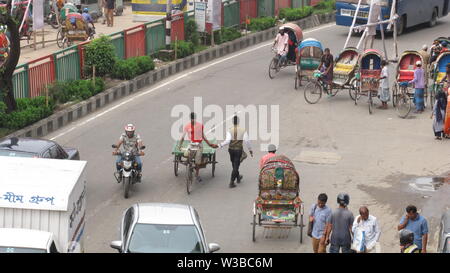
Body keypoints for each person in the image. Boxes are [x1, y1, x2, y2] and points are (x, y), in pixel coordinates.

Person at [179, 112, 218, 182]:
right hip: (191, 144)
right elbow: (182, 137)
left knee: (197, 162)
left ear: (195, 118)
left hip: (199, 145)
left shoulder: (200, 126)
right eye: (192, 119)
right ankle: (190, 166)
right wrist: (180, 144)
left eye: (193, 119)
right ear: (190, 119)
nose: (193, 120)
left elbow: (203, 135)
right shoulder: (187, 126)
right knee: (188, 156)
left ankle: (197, 174)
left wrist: (209, 144)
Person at [218, 116, 253, 188]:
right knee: (236, 165)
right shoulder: (243, 130)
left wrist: (220, 145)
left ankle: (238, 177)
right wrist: (250, 150)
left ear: (232, 122)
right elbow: (247, 141)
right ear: (238, 122)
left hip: (231, 150)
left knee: (234, 164)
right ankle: (231, 182)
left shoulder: (230, 130)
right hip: (238, 150)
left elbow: (227, 141)